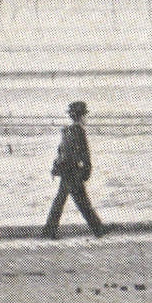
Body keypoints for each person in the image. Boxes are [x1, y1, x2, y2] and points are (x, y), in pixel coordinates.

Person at [43, 100, 106, 240]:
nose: (86, 118)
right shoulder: (79, 132)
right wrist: (86, 171)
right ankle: (98, 229)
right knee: (81, 203)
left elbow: (61, 151)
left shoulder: (67, 131)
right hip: (73, 173)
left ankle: (49, 230)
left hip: (67, 172)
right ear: (81, 116)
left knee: (65, 201)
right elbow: (85, 154)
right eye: (85, 115)